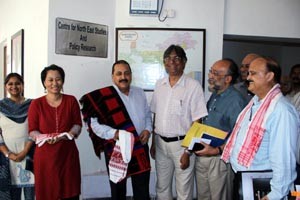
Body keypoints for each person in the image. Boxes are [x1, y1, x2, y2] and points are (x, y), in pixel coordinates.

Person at [222, 57, 299, 199]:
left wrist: (274, 195)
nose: (248, 77)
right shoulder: (256, 103)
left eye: (253, 73)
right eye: (248, 73)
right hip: (245, 180)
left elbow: (284, 159)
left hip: (265, 187)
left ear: (270, 76)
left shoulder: (281, 110)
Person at [80, 60, 152, 200]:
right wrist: (115, 133)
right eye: (119, 73)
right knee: (118, 191)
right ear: (113, 76)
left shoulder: (139, 92)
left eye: (126, 73)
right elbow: (94, 125)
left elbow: (148, 115)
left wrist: (148, 130)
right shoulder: (102, 97)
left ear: (131, 75)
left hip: (140, 147)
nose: (123, 77)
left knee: (142, 189)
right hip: (116, 149)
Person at [150, 44, 208, 200]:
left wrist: (188, 151)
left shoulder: (193, 86)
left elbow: (198, 122)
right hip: (161, 144)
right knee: (162, 187)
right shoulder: (159, 85)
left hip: (182, 145)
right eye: (168, 58)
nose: (172, 62)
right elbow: (156, 115)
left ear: (184, 62)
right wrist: (153, 143)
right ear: (164, 62)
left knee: (184, 190)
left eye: (177, 58)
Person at [194, 59, 247, 200]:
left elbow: (239, 134)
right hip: (203, 155)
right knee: (203, 196)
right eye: (211, 71)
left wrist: (217, 150)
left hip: (219, 159)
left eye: (216, 73)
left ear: (228, 79)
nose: (210, 75)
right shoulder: (215, 95)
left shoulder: (235, 100)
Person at [28, 64, 82, 200]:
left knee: (70, 192)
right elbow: (32, 130)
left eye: (58, 79)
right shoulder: (36, 104)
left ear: (63, 81)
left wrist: (69, 134)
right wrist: (43, 138)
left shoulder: (71, 100)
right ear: (44, 82)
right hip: (45, 158)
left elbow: (77, 124)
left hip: (67, 155)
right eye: (50, 80)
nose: (54, 83)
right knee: (47, 193)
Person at [0, 73, 34, 200]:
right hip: (7, 158)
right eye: (10, 84)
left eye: (17, 83)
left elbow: (36, 129)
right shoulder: (0, 106)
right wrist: (8, 154)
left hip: (30, 155)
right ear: (5, 86)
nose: (14, 86)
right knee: (12, 196)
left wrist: (24, 152)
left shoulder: (32, 104)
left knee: (30, 195)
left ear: (23, 86)